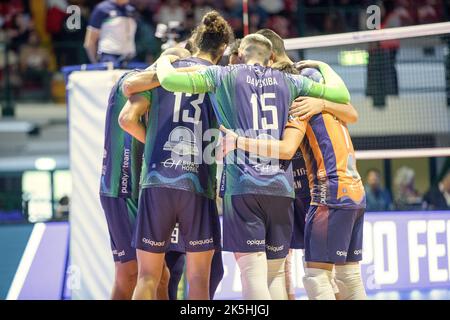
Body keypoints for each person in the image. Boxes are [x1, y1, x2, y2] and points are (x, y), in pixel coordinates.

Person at [156, 33, 350, 300]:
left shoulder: (222, 75)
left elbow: (168, 80)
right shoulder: (291, 81)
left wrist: (166, 57)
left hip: (244, 187)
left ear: (240, 54)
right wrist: (324, 67)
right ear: (271, 57)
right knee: (275, 275)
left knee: (252, 275)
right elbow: (341, 94)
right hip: (282, 189)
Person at [219, 63, 366, 300]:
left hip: (329, 192)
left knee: (317, 278)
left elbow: (286, 149)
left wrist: (238, 142)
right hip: (357, 193)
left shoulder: (302, 107)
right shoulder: (337, 110)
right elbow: (354, 113)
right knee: (349, 278)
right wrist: (322, 68)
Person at [120, 11, 234, 300]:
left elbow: (128, 116)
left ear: (193, 43)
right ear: (222, 50)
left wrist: (155, 146)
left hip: (157, 178)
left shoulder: (161, 73)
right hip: (197, 183)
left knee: (147, 277)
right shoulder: (221, 77)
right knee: (198, 279)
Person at [256, 28, 359, 299]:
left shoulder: (303, 83)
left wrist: (321, 102)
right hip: (319, 184)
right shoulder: (276, 85)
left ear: (272, 56)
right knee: (294, 264)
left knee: (320, 276)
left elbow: (351, 112)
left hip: (324, 187)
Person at [98, 47, 191, 299]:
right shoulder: (136, 80)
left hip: (144, 188)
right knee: (130, 274)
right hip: (121, 186)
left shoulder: (155, 89)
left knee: (162, 277)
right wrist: (158, 150)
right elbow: (127, 120)